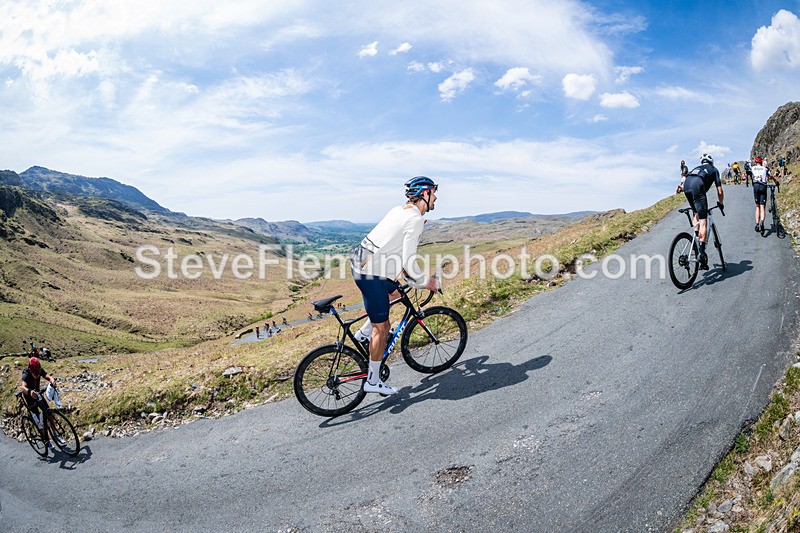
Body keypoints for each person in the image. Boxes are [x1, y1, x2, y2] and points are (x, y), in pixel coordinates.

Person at [350, 176, 440, 395]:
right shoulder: (414, 220)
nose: (436, 198)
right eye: (434, 193)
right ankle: (373, 381)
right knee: (383, 328)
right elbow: (409, 259)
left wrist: (403, 274)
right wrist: (427, 282)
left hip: (363, 265)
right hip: (370, 274)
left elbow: (390, 245)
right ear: (425, 194)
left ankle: (363, 334)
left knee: (395, 294)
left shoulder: (398, 210)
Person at [681, 154, 724, 270]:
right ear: (712, 162)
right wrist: (721, 203)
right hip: (697, 184)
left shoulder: (697, 168)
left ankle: (696, 237)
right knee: (703, 221)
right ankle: (701, 253)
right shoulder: (714, 170)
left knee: (696, 213)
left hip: (687, 184)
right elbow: (720, 191)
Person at [20, 356, 63, 450]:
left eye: (38, 373)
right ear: (30, 370)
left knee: (49, 413)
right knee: (39, 422)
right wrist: (30, 392)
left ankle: (55, 436)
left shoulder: (38, 369)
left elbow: (46, 375)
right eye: (35, 374)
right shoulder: (26, 373)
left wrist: (52, 380)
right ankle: (46, 440)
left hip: (38, 395)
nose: (37, 375)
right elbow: (22, 387)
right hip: (30, 399)